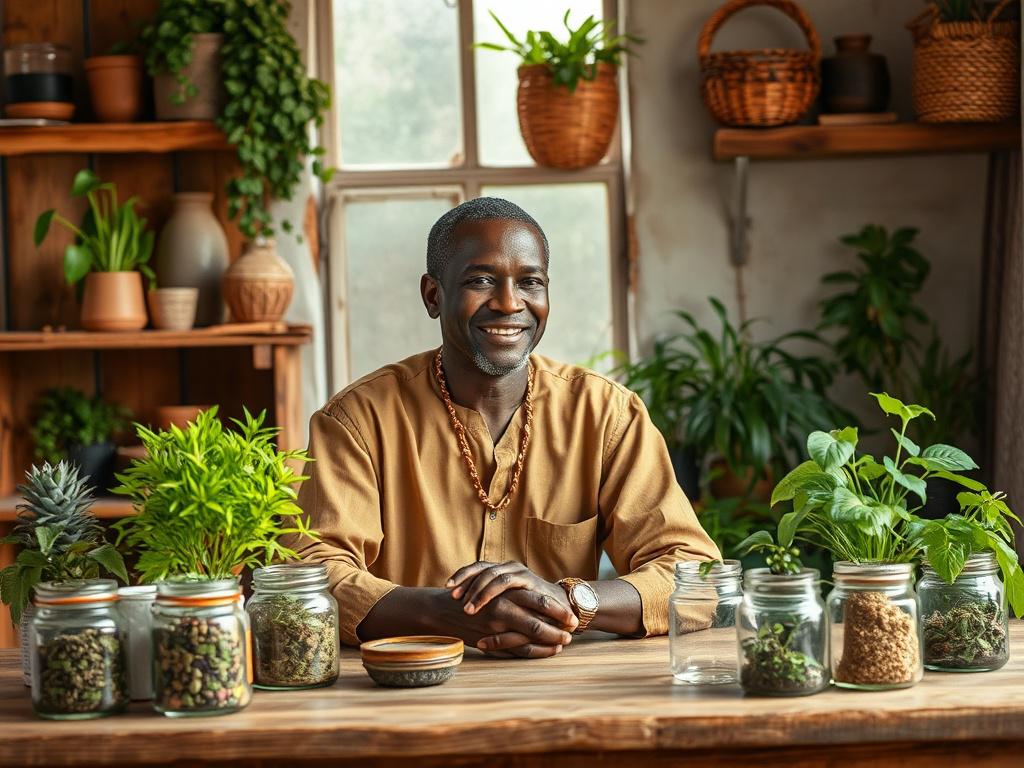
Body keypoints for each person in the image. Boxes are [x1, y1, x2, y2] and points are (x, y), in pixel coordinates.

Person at [295, 197, 719, 659]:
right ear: (433, 295)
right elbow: (309, 577)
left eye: (530, 282)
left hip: (570, 691)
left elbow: (697, 574)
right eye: (481, 280)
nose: (509, 303)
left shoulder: (606, 415)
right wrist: (443, 613)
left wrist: (570, 599)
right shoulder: (358, 421)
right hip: (405, 691)